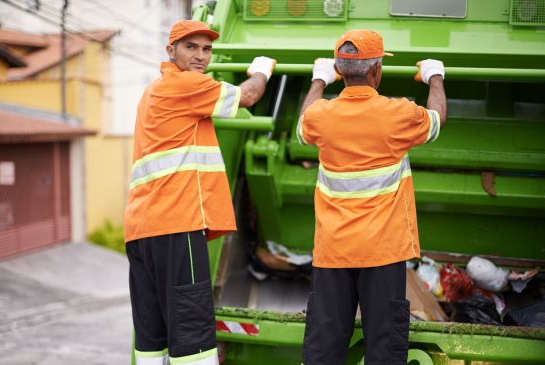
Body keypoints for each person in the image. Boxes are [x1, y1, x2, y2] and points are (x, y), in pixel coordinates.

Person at [123, 19, 276, 365]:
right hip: (177, 226)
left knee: (151, 340)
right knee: (193, 341)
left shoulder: (153, 91)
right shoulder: (186, 85)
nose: (201, 56)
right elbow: (249, 96)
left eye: (206, 49)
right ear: (170, 51)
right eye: (191, 47)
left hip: (141, 231)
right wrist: (262, 69)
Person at [297, 29, 447, 364]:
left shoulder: (321, 116)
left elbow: (304, 121)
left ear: (341, 70)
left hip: (332, 251)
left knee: (324, 345)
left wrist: (319, 80)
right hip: (383, 251)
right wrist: (434, 77)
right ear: (376, 70)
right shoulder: (398, 114)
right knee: (384, 345)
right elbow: (437, 119)